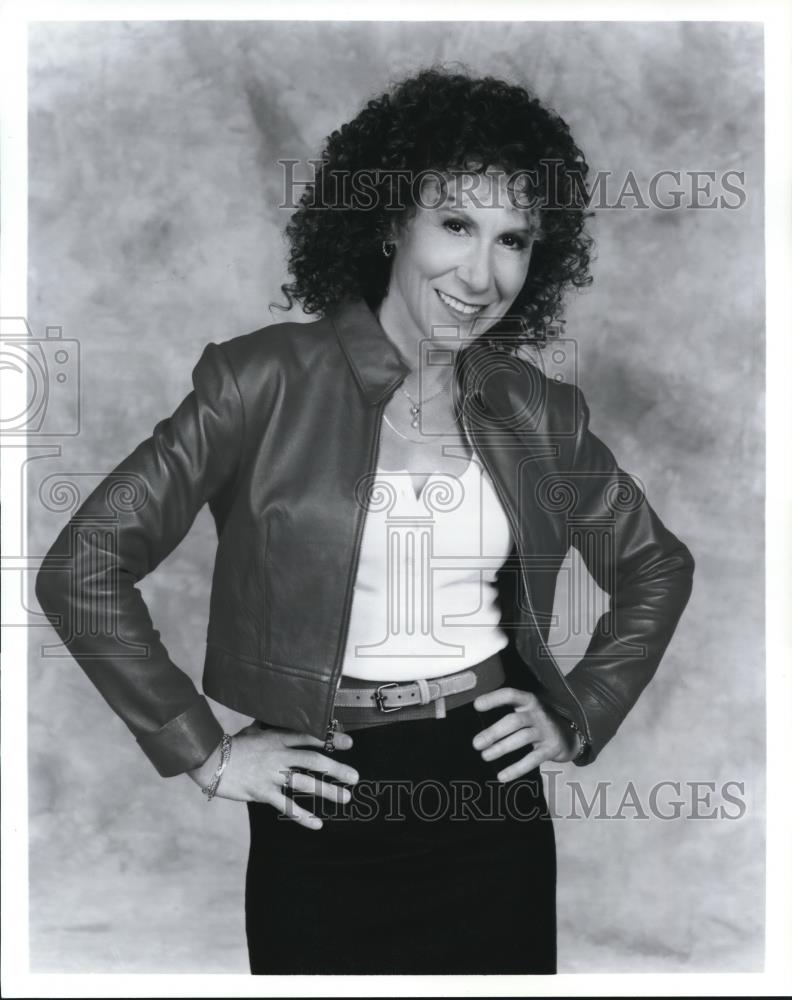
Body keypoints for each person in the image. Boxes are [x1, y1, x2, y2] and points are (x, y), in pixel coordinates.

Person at [35, 67, 695, 975]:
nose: (482, 273)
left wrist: (578, 713)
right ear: (390, 220)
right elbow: (84, 565)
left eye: (513, 240)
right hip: (321, 794)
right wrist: (207, 753)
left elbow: (656, 565)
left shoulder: (533, 409)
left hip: (486, 797)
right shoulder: (258, 381)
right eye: (456, 225)